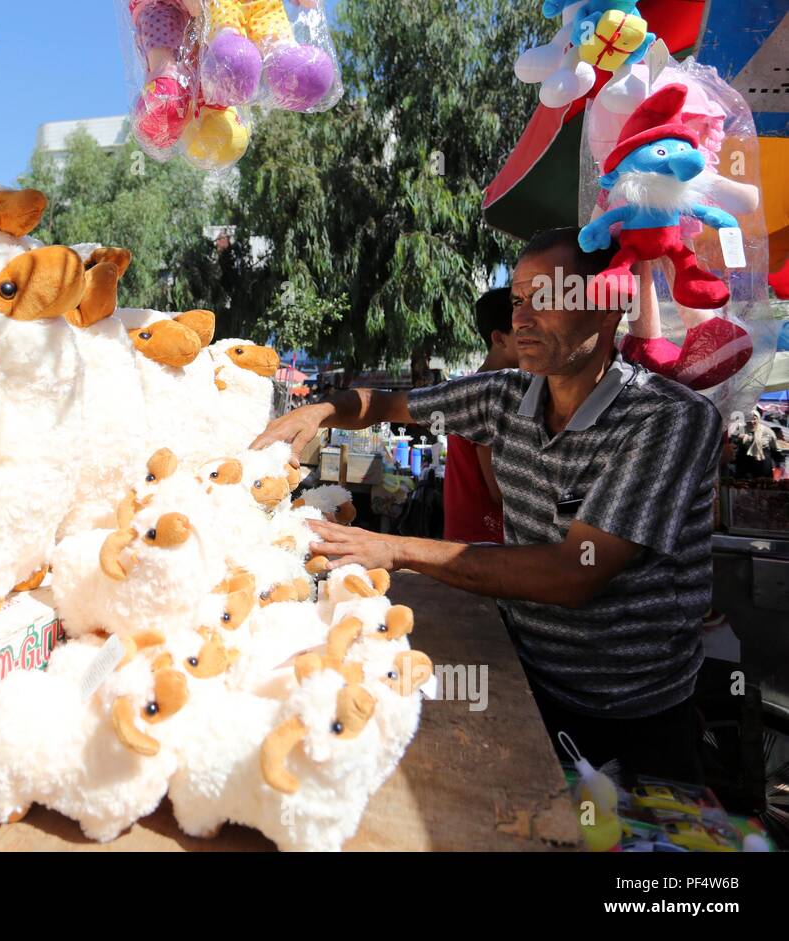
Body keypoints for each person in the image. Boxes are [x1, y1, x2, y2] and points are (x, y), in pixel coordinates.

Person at [253, 228, 724, 784]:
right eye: (518, 299)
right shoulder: (504, 397)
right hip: (528, 682)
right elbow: (382, 402)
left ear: (606, 307)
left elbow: (576, 573)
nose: (522, 318)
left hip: (635, 715)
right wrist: (319, 411)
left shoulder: (667, 419)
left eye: (545, 298)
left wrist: (395, 549)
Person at [444, 288, 518, 544]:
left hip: (468, 539)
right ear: (499, 338)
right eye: (524, 330)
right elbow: (499, 490)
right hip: (483, 543)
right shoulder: (487, 394)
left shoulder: (477, 387)